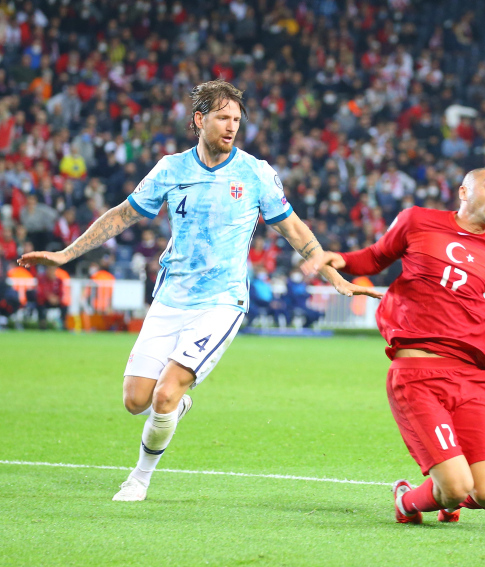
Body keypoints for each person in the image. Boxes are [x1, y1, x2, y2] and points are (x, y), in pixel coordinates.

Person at [19, 80, 380, 502]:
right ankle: (172, 408)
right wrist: (66, 254)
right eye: (222, 117)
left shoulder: (255, 172)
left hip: (222, 300)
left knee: (166, 392)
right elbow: (122, 216)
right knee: (136, 400)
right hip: (171, 296)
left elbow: (293, 227)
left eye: (236, 120)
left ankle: (138, 478)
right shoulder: (171, 169)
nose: (231, 127)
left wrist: (330, 271)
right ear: (199, 119)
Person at [303, 168, 485, 525]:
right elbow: (376, 257)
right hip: (418, 374)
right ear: (463, 192)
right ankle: (406, 501)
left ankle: (441, 496)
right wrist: (342, 260)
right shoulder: (417, 221)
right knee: (456, 487)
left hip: (473, 379)